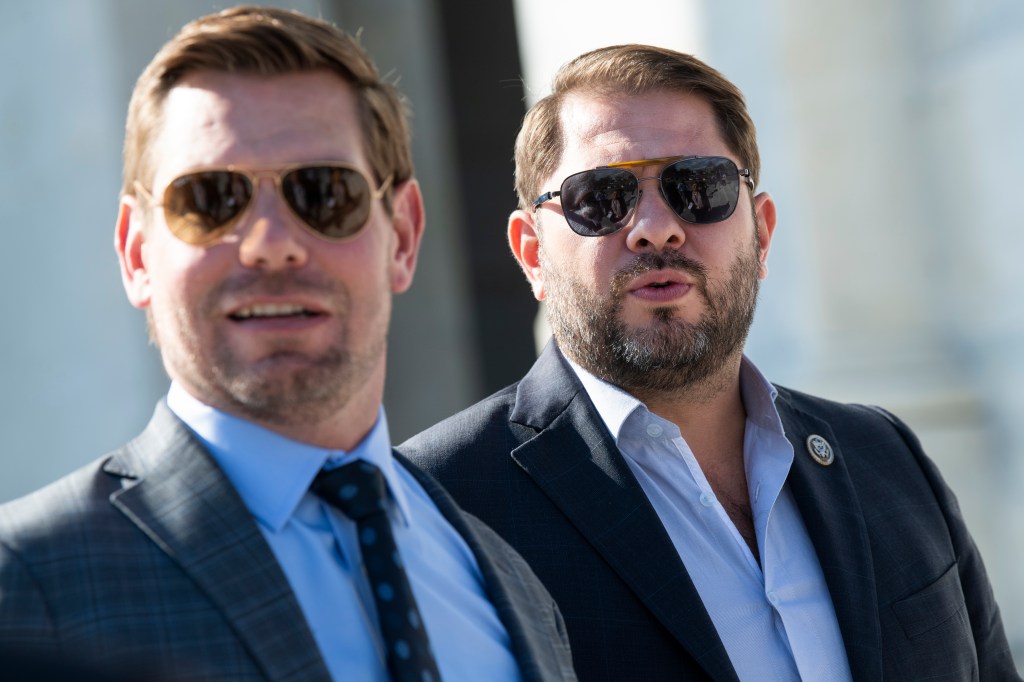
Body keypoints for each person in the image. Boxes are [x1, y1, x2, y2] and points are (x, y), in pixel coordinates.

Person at [398, 44, 1020, 681]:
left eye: (698, 187)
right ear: (532, 254)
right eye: (601, 196)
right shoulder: (436, 505)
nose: (656, 228)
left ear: (762, 232)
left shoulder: (886, 457)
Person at [0, 7, 576, 682]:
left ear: (403, 235)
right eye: (211, 198)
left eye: (323, 193)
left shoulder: (510, 581)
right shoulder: (29, 584)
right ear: (136, 253)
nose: (271, 243)